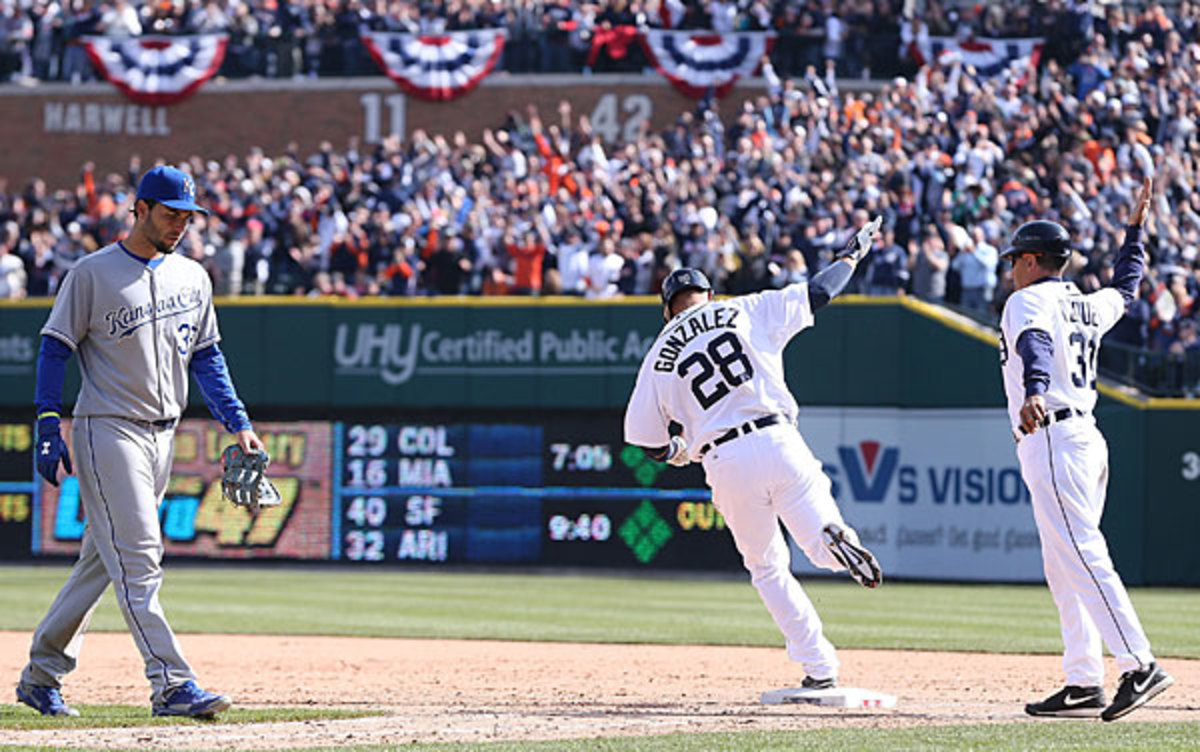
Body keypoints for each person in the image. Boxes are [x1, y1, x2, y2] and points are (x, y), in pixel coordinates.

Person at [17, 165, 265, 719]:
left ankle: (41, 674)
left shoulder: (194, 278)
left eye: (187, 216)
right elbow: (55, 347)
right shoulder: (92, 273)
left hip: (163, 435)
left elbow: (208, 357)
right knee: (141, 558)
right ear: (142, 209)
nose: (180, 225)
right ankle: (172, 683)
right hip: (107, 428)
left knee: (102, 564)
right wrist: (47, 421)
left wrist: (238, 421)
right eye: (171, 213)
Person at [623, 216, 884, 689]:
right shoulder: (745, 307)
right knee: (818, 541)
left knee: (767, 567)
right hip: (779, 437)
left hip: (724, 458)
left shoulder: (659, 352)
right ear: (709, 295)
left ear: (667, 310)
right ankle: (834, 539)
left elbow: (644, 439)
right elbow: (820, 293)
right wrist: (851, 256)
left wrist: (680, 449)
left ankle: (820, 667)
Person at [1000, 177, 1173, 722]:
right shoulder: (1084, 303)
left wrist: (1033, 390)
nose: (1011, 268)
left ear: (1031, 260)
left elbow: (1036, 344)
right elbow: (1126, 286)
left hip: (1053, 434)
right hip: (1085, 439)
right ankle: (1083, 681)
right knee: (1063, 564)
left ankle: (1139, 664)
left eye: (1015, 259)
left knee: (1081, 555)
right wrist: (1135, 231)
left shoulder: (1027, 299)